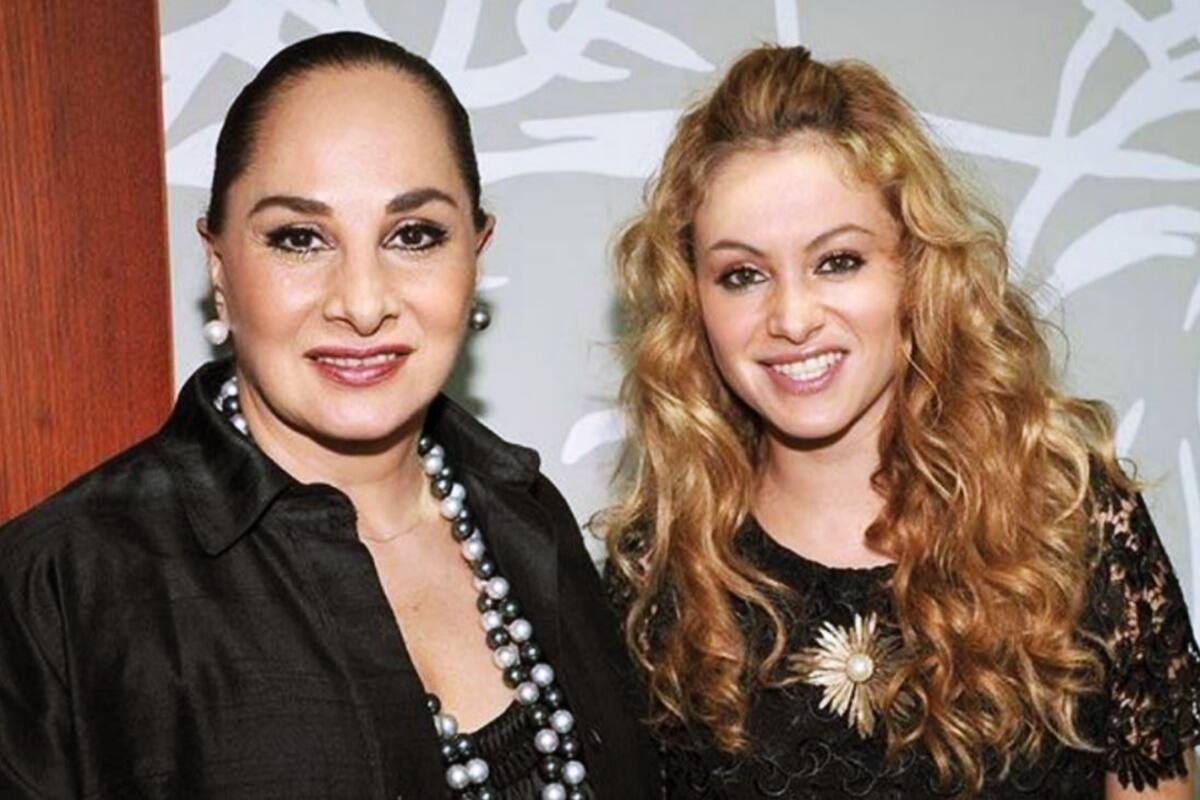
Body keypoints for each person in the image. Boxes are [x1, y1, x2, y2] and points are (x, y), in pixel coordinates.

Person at [0, 31, 658, 799]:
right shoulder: (61, 588)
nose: (363, 303)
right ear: (219, 265)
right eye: (300, 239)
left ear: (475, 257)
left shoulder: (532, 520)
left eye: (414, 236)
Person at [604, 44, 1200, 799]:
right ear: (694, 302)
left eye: (838, 261)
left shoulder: (1069, 526)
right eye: (742, 275)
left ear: (916, 268)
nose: (792, 317)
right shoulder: (658, 574)